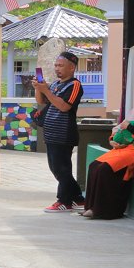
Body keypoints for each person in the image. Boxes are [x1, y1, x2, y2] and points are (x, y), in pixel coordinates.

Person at [34, 52, 84, 212]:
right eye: (56, 65)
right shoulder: (55, 84)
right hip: (51, 133)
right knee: (56, 168)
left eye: (60, 65)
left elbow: (64, 106)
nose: (57, 68)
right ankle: (78, 198)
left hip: (64, 134)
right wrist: (38, 88)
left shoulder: (75, 85)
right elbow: (41, 101)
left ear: (72, 67)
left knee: (62, 169)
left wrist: (47, 91)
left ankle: (64, 201)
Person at [82, 119, 134, 219]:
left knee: (105, 169)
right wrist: (113, 140)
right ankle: (90, 206)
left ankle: (104, 210)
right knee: (94, 165)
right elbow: (119, 128)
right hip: (122, 148)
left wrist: (129, 127)